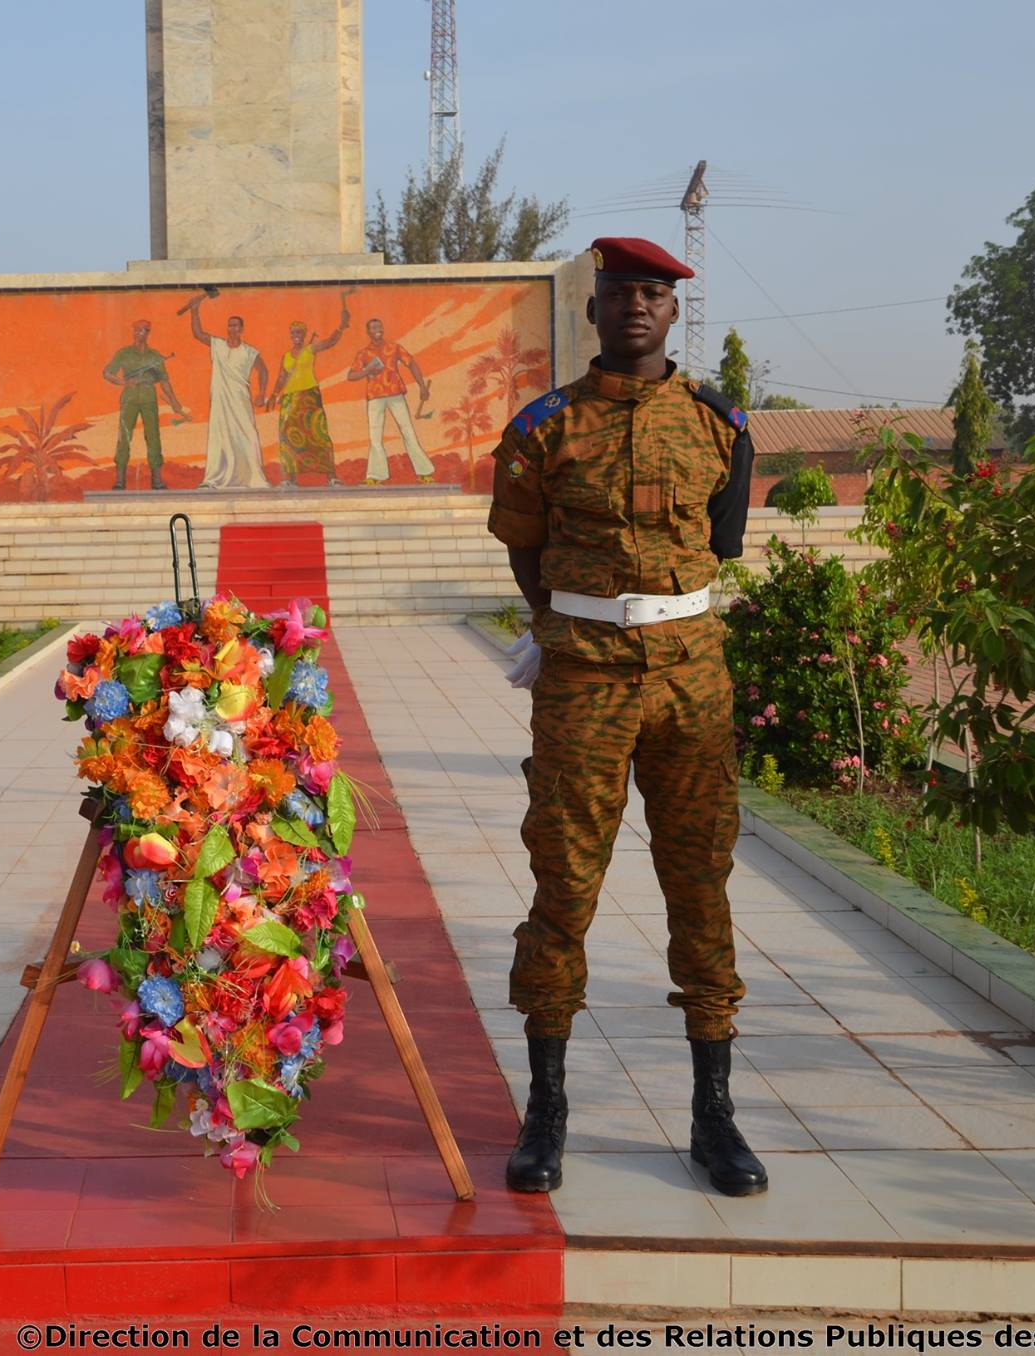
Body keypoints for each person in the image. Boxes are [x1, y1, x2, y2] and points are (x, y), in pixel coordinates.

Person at [485, 236, 762, 1198]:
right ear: (593, 310)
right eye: (619, 294)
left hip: (693, 676)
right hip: (584, 679)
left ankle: (713, 1113)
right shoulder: (543, 428)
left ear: (674, 311)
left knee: (702, 883)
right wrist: (571, 622)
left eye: (654, 293)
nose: (637, 307)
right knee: (564, 883)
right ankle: (547, 1107)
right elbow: (525, 551)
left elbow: (721, 543)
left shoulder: (721, 425)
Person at [262, 289, 355, 489]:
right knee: (288, 436)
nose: (296, 335)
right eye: (293, 333)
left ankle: (331, 477)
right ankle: (290, 479)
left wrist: (341, 326)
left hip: (309, 396)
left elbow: (330, 342)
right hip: (289, 398)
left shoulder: (310, 349)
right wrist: (272, 397)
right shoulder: (287, 356)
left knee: (318, 434)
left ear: (304, 334)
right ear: (290, 335)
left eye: (299, 333)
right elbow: (281, 377)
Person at [188, 294, 270, 489]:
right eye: (230, 325)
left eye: (235, 326)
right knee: (220, 435)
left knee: (247, 434)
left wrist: (261, 393)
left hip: (240, 399)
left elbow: (263, 370)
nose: (232, 328)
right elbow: (198, 334)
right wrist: (194, 309)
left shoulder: (249, 351)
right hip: (221, 400)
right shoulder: (218, 345)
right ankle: (215, 477)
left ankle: (253, 476)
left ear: (241, 329)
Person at [345, 319, 436, 485]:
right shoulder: (364, 353)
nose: (377, 329)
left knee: (408, 431)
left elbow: (412, 363)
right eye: (373, 327)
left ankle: (424, 472)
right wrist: (367, 370)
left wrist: (422, 386)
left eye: (379, 326)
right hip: (375, 397)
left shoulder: (394, 347)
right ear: (368, 332)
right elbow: (350, 376)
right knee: (375, 436)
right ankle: (376, 475)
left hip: (395, 394)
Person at [101, 319, 188, 490]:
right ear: (133, 331)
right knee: (124, 437)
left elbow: (164, 381)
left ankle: (156, 480)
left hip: (149, 396)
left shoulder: (155, 356)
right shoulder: (123, 354)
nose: (140, 333)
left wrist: (175, 402)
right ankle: (120, 480)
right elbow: (107, 373)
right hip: (130, 397)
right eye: (137, 330)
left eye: (144, 330)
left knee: (153, 436)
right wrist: (123, 382)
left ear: (148, 332)